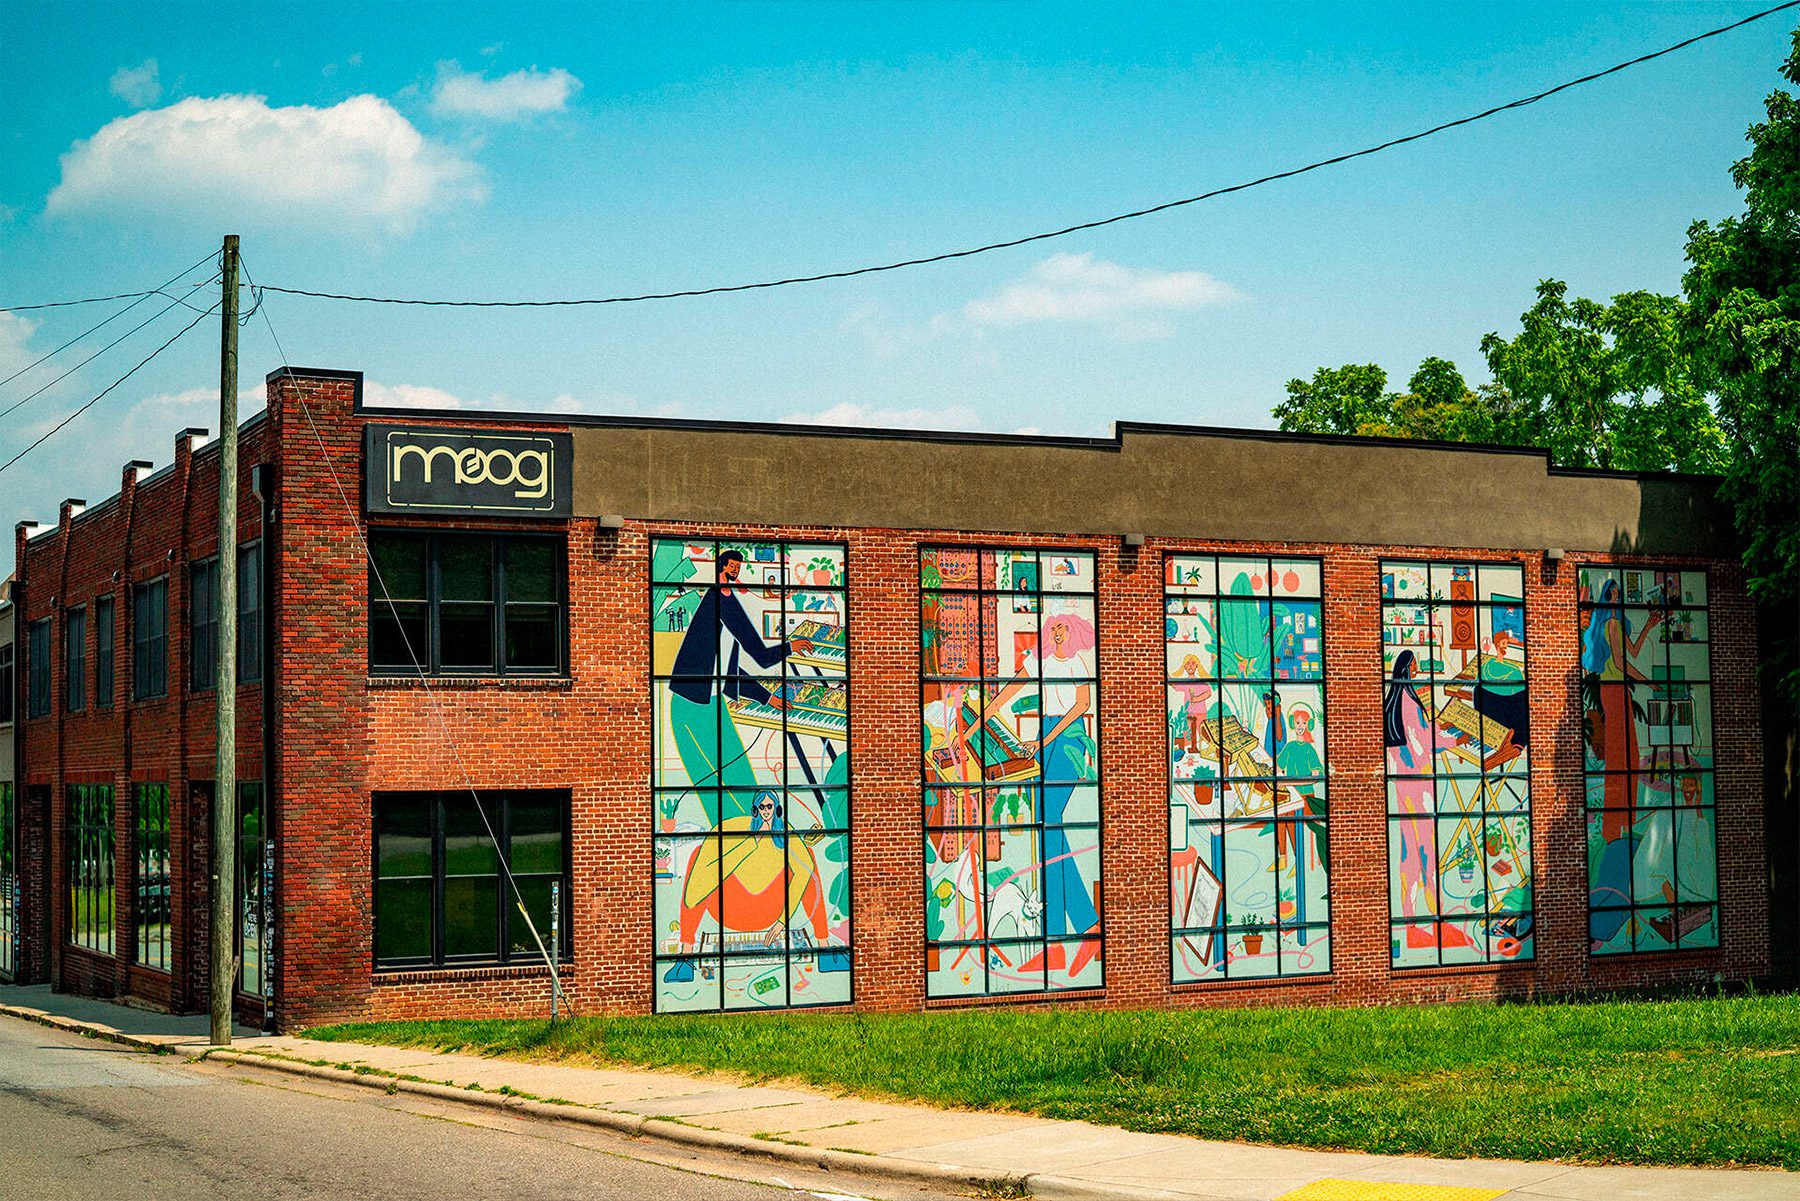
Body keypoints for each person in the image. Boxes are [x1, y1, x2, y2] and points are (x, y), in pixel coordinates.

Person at [989, 612, 1100, 977]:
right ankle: (1084, 929)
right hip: (1046, 735)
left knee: (1048, 823)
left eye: (1062, 627)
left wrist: (1044, 740)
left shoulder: (1079, 663)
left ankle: (1061, 941)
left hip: (1069, 740)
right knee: (1048, 827)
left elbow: (1081, 706)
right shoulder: (1044, 661)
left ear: (1073, 630)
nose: (1056, 632)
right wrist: (985, 713)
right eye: (1053, 627)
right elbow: (1013, 686)